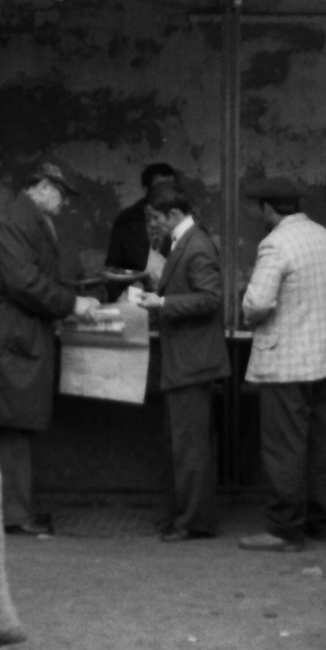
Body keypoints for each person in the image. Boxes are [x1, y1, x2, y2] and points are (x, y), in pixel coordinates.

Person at [0, 160, 99, 536]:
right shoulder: (17, 221)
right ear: (40, 187)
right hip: (13, 334)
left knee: (13, 426)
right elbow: (23, 282)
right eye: (59, 192)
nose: (63, 202)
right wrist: (71, 304)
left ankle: (15, 511)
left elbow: (30, 279)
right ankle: (13, 515)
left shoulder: (25, 219)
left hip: (16, 332)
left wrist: (67, 299)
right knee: (10, 426)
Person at [237, 177, 326, 553]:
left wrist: (245, 306)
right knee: (319, 441)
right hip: (323, 356)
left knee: (284, 446)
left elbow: (257, 303)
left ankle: (285, 529)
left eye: (259, 208)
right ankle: (322, 521)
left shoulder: (275, 243)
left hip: (287, 359)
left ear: (268, 209)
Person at [131, 179, 230, 542]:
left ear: (174, 214)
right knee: (184, 445)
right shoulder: (185, 242)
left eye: (157, 217)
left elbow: (210, 299)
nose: (153, 223)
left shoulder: (196, 246)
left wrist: (163, 304)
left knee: (190, 448)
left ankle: (193, 521)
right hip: (186, 362)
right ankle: (182, 517)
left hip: (192, 363)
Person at [106, 161, 177, 278]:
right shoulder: (128, 220)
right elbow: (114, 266)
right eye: (160, 187)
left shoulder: (184, 218)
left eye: (172, 187)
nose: (167, 193)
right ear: (145, 190)